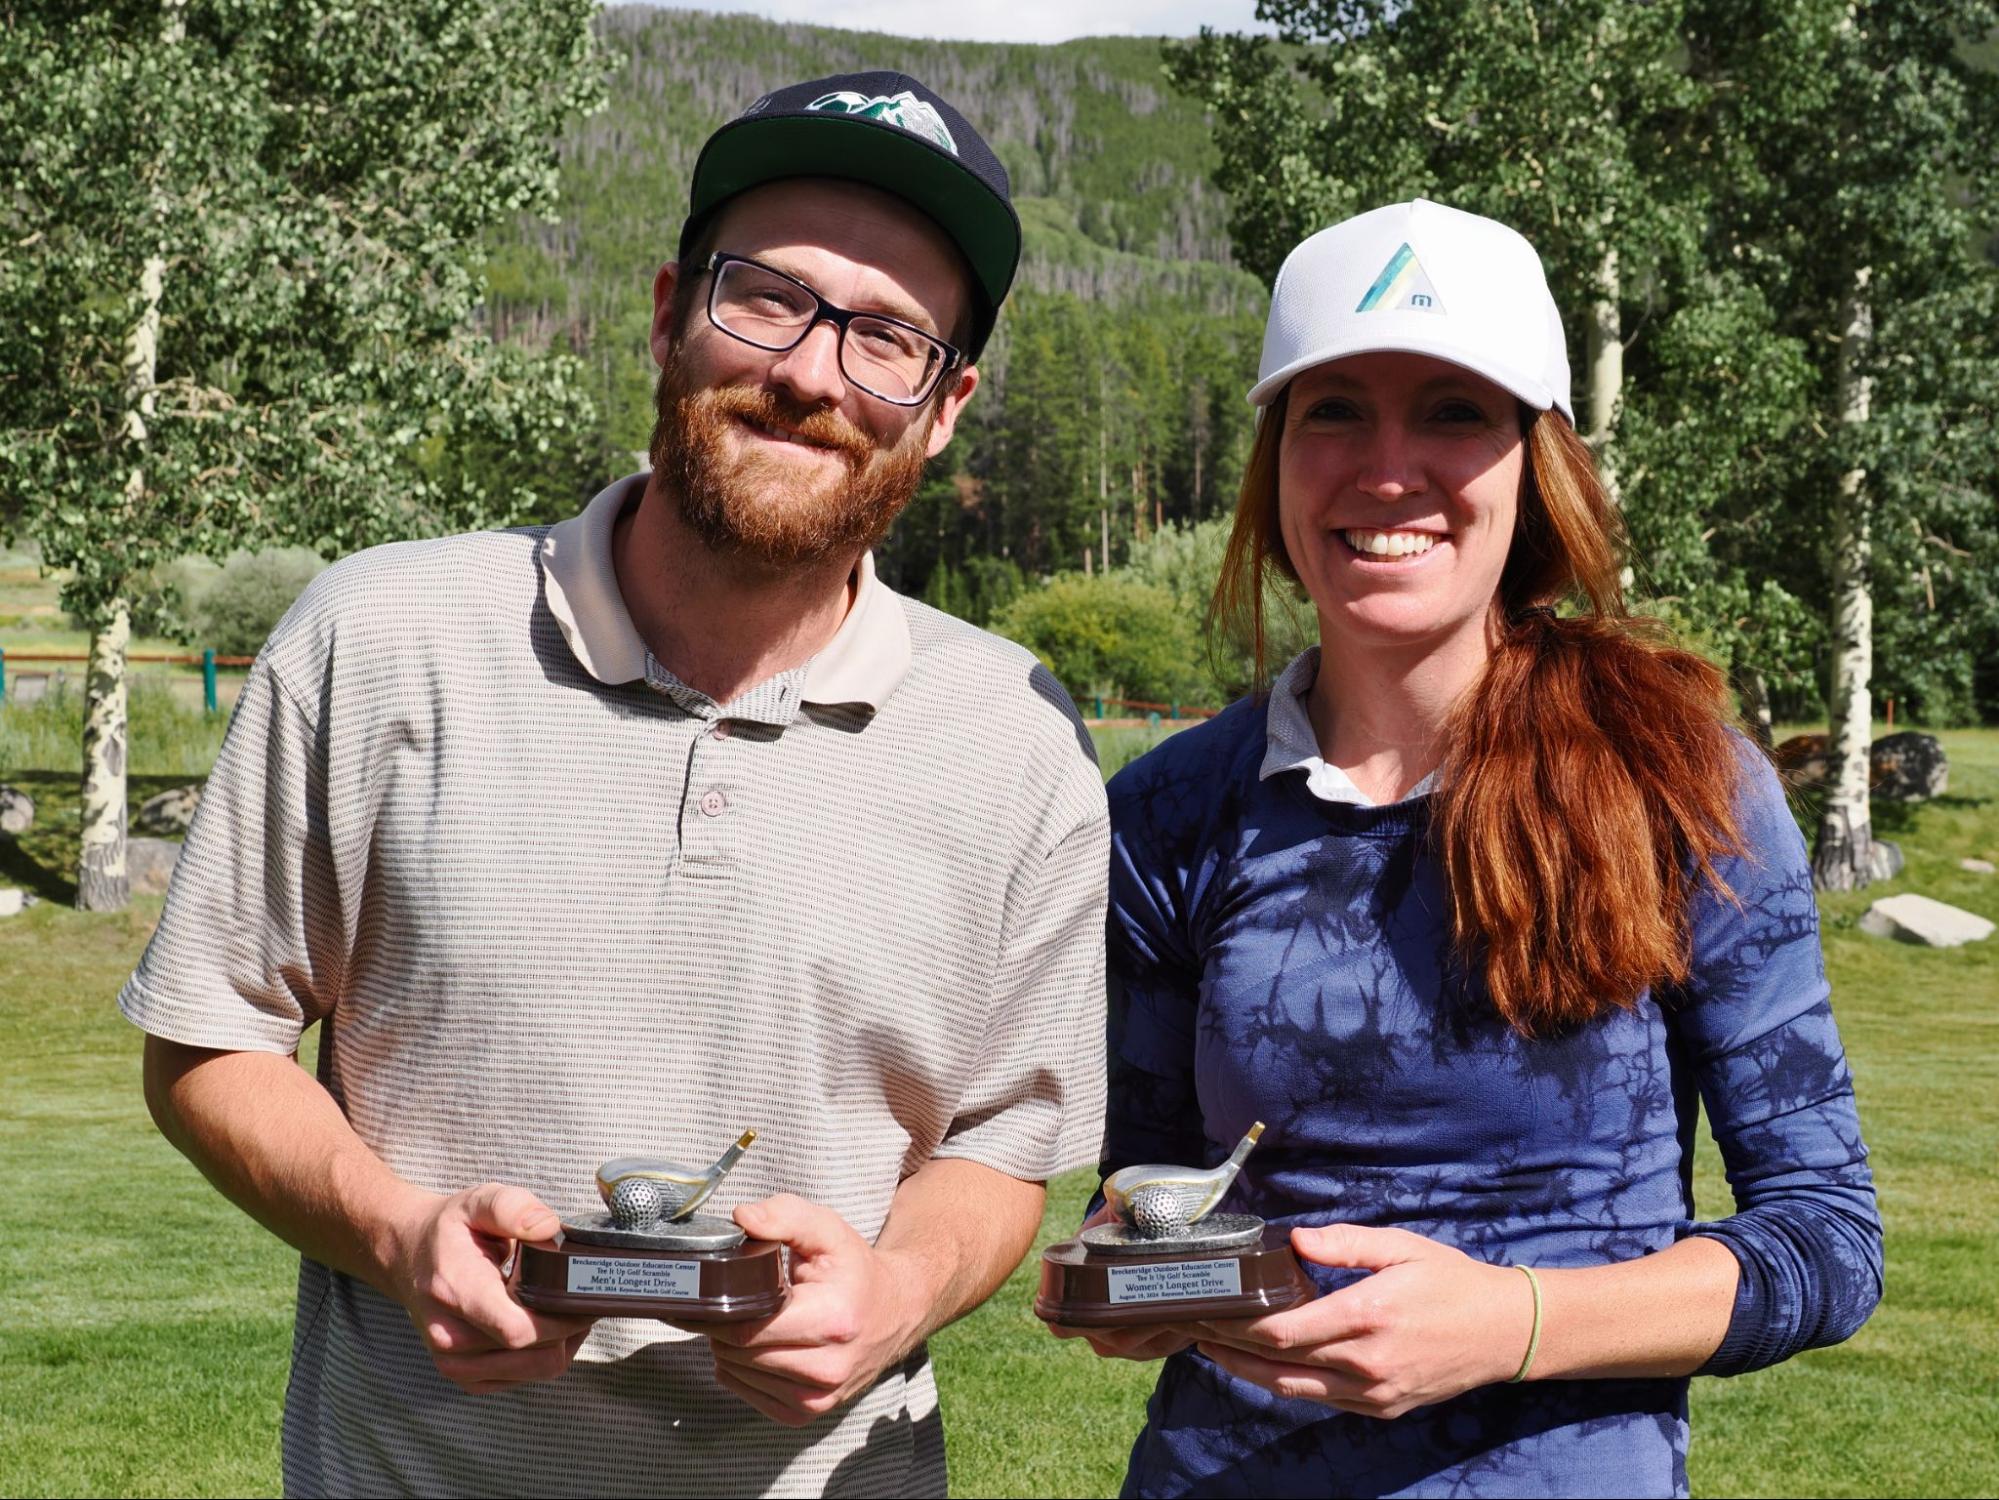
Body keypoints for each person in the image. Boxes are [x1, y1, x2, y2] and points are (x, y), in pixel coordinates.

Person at [122, 73, 1109, 1498]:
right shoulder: (379, 641)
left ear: (945, 407)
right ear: (668, 312)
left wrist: (898, 1291)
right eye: (766, 296)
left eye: (887, 336)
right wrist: (400, 1237)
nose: (814, 373)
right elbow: (207, 1041)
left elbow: (1008, 1145)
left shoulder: (1016, 738)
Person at [1056, 199, 1882, 1498]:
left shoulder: (1681, 781)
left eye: (1452, 410)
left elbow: (1829, 1244)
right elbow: (1154, 1189)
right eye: (1333, 410)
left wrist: (1519, 1323)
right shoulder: (1170, 810)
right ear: (1275, 457)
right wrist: (1131, 1277)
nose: (1388, 470)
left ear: (1531, 462)